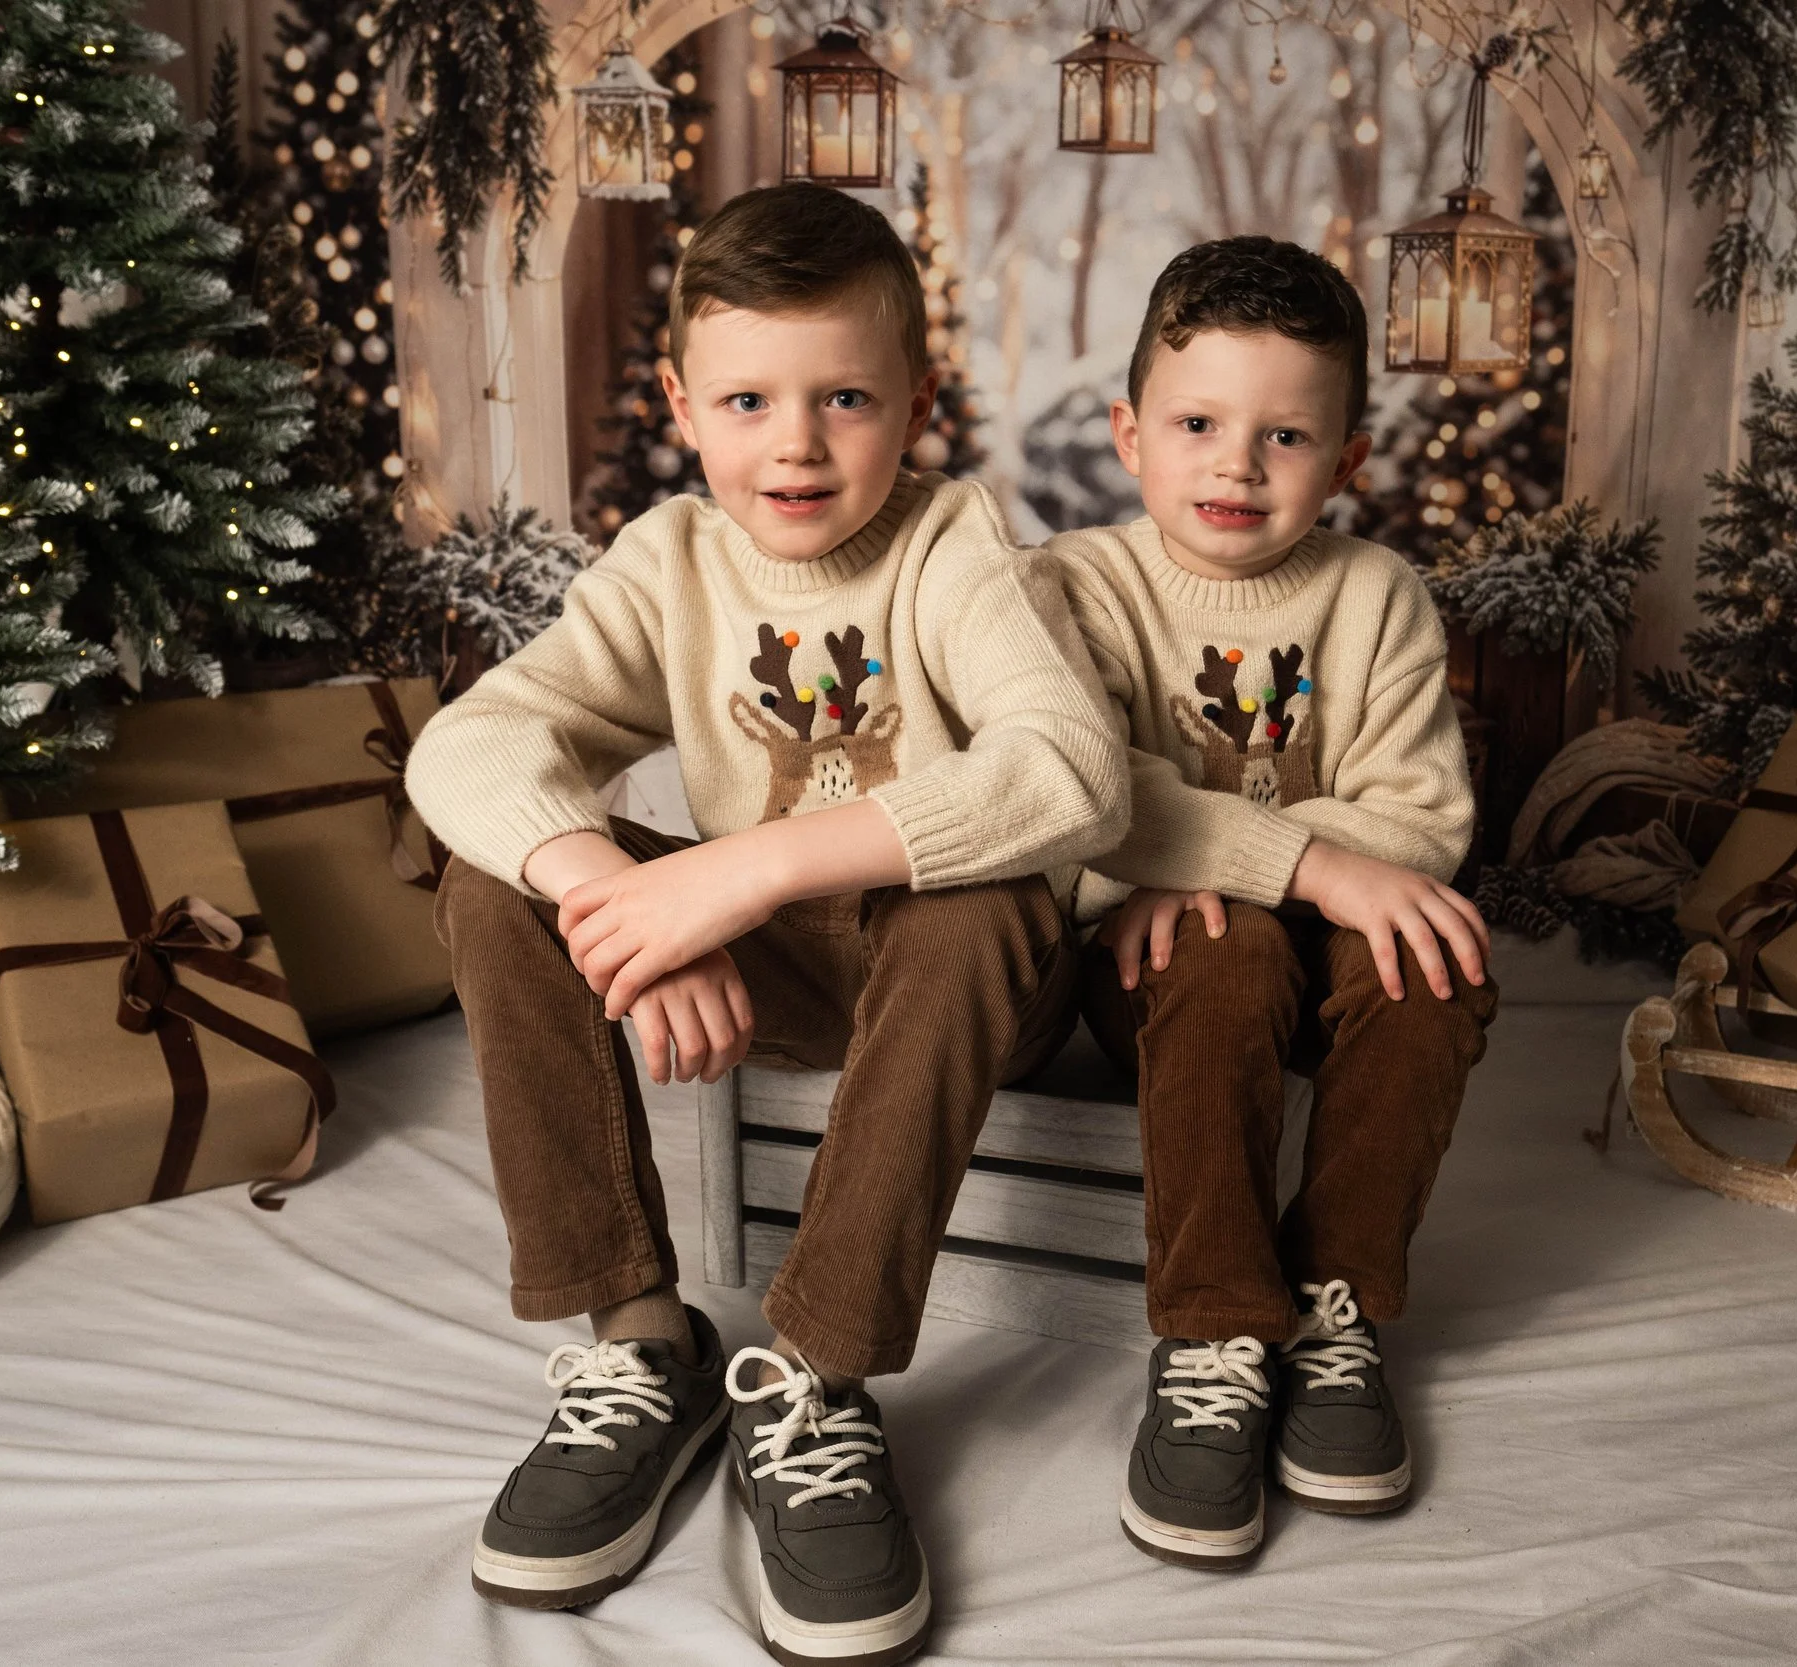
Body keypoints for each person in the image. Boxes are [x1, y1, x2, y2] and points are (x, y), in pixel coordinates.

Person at [403, 182, 1127, 1663]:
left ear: (914, 401)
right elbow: (467, 744)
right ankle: (640, 1340)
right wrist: (608, 894)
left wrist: (740, 873)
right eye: (747, 398)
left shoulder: (952, 545)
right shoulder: (669, 559)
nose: (794, 444)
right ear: (684, 402)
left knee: (979, 890)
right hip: (790, 975)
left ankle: (812, 1374)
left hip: (968, 982)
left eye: (845, 397)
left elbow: (1073, 770)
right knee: (499, 867)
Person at [1048, 235, 1496, 1570]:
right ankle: (1214, 1331)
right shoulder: (1071, 588)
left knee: (1439, 961)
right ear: (1131, 432)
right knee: (1224, 945)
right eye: (1197, 423)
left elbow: (1418, 823)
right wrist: (1277, 862)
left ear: (1349, 460)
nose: (1236, 464)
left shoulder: (1378, 597)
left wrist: (1206, 848)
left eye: (1286, 435)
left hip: (1331, 942)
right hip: (1161, 971)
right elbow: (1068, 799)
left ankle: (1336, 1299)